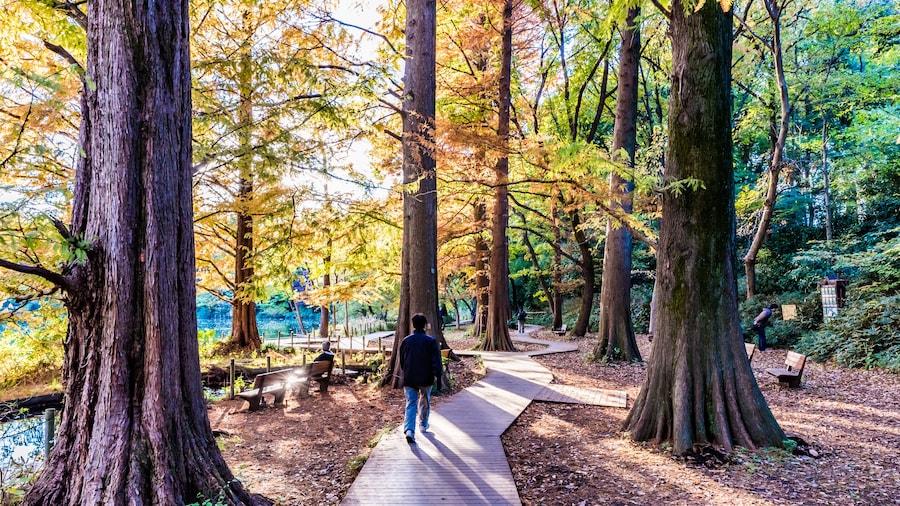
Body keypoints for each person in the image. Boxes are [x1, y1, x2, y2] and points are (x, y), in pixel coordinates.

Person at [399, 313, 442, 443]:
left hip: (410, 377)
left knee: (410, 403)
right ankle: (423, 424)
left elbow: (402, 360)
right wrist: (438, 376)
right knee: (425, 401)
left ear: (413, 325)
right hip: (426, 377)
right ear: (424, 325)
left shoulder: (406, 341)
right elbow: (436, 361)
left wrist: (406, 371)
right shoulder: (431, 341)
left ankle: (410, 430)